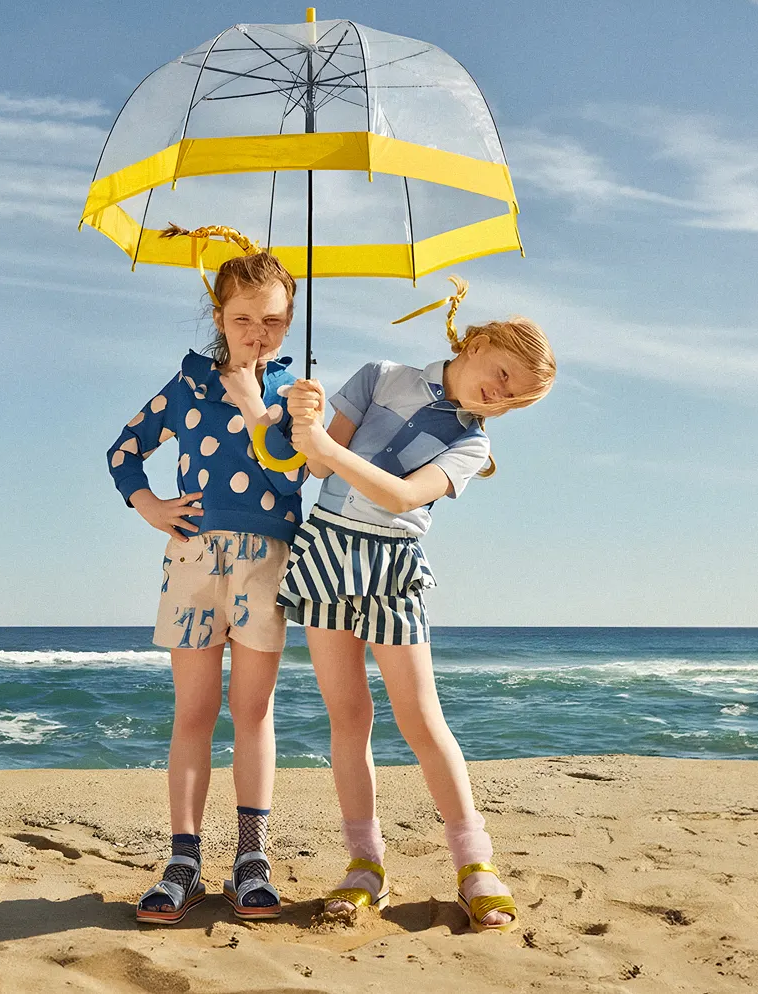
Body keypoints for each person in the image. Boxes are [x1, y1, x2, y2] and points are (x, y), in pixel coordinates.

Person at [278, 280, 556, 933]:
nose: (498, 396)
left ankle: (474, 864)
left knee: (422, 721)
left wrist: (327, 450)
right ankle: (364, 863)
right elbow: (313, 468)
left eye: (513, 398)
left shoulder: (473, 445)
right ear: (479, 342)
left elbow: (404, 497)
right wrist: (305, 422)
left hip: (392, 564)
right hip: (326, 551)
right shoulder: (380, 377)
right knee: (348, 718)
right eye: (503, 375)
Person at [105, 225, 307, 925]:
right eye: (243, 318)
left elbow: (293, 471)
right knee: (193, 712)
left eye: (272, 320)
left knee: (252, 711)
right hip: (193, 561)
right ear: (219, 316)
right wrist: (149, 506)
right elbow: (124, 450)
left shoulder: (296, 394)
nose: (257, 332)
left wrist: (256, 402)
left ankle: (252, 858)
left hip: (266, 563)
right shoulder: (189, 385)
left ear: (289, 321)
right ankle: (183, 859)